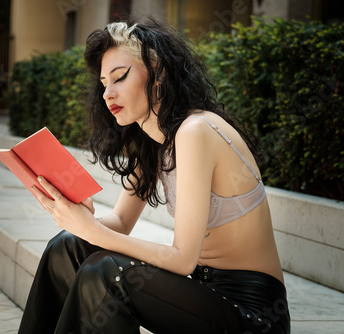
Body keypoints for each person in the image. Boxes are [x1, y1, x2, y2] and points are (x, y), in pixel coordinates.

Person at [17, 17, 290, 334]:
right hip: (205, 295)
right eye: (105, 83)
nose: (108, 94)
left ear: (159, 71)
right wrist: (72, 215)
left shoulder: (196, 130)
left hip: (252, 315)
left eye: (119, 77)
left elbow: (182, 259)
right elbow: (119, 223)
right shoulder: (152, 140)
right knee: (67, 244)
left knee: (106, 273)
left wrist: (90, 229)